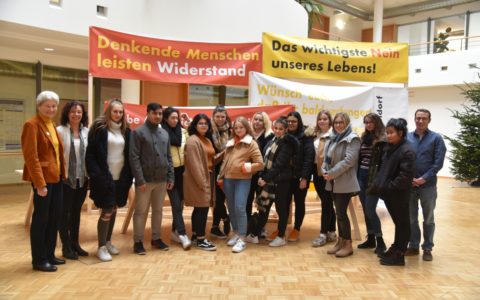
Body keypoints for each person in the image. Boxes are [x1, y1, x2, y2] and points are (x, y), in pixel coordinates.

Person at [21, 91, 66, 272]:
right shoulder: (31, 125)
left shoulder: (52, 124)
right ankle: (39, 260)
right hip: (44, 181)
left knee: (54, 218)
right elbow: (31, 158)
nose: (51, 109)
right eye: (47, 105)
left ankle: (49, 254)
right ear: (39, 106)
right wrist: (39, 183)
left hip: (57, 179)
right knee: (41, 220)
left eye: (54, 106)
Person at [86, 99, 133, 262]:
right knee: (106, 211)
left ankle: (108, 242)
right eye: (115, 111)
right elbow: (90, 155)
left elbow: (128, 155)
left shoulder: (127, 131)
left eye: (121, 112)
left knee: (113, 210)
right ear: (109, 112)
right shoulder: (99, 129)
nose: (118, 115)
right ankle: (101, 247)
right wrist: (96, 175)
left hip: (120, 179)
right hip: (103, 178)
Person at [130, 103, 175, 255]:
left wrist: (171, 177)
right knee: (141, 211)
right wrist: (140, 180)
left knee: (158, 210)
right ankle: (138, 242)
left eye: (160, 114)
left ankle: (156, 238)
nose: (158, 116)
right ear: (148, 113)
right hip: (145, 181)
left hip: (162, 180)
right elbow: (134, 158)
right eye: (155, 113)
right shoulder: (138, 132)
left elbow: (169, 157)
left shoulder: (164, 134)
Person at [369, 118, 416, 266]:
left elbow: (404, 177)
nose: (388, 136)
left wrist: (389, 188)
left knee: (402, 224)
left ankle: (399, 255)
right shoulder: (392, 147)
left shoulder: (407, 150)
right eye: (387, 133)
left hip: (398, 195)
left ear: (400, 133)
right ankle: (396, 248)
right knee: (399, 223)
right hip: (390, 194)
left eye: (391, 133)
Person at [246, 117, 298, 247]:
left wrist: (265, 179)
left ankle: (281, 236)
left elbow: (279, 165)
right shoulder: (272, 140)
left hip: (281, 182)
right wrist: (261, 176)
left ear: (286, 130)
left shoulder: (287, 144)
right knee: (264, 208)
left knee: (281, 210)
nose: (278, 131)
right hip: (268, 181)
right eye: (276, 128)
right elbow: (265, 160)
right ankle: (255, 235)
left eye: (281, 129)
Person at [217, 117, 264, 253]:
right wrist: (221, 176)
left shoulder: (251, 143)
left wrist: (247, 167)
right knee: (231, 207)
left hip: (243, 180)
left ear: (246, 128)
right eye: (236, 128)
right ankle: (236, 233)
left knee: (240, 207)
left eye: (241, 127)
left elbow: (260, 164)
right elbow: (225, 161)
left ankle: (242, 238)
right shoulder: (230, 142)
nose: (238, 130)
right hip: (228, 180)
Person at [406, 109, 446, 261]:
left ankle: (428, 248)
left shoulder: (436, 139)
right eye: (418, 118)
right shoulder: (408, 138)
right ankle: (413, 246)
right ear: (414, 119)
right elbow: (403, 159)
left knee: (428, 218)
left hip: (428, 186)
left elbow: (438, 163)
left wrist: (423, 178)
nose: (420, 121)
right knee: (411, 218)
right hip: (410, 186)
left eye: (423, 118)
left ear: (429, 120)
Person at [322, 112, 361, 258]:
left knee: (342, 214)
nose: (338, 125)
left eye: (341, 122)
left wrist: (331, 173)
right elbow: (326, 158)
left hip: (345, 181)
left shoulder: (353, 138)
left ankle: (348, 244)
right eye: (336, 122)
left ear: (347, 123)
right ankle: (340, 242)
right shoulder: (332, 138)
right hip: (332, 181)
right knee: (338, 213)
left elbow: (349, 161)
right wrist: (324, 170)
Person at [56, 101, 89, 260]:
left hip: (82, 179)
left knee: (76, 212)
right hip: (65, 180)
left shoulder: (86, 132)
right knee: (65, 213)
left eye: (79, 112)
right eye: (73, 112)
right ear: (67, 114)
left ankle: (75, 243)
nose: (76, 115)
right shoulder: (60, 131)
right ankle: (66, 245)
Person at [183, 114, 217, 251]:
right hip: (198, 179)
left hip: (207, 176)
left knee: (199, 208)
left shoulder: (207, 140)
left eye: (206, 123)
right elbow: (194, 164)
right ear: (195, 125)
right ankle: (201, 240)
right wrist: (202, 183)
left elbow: (210, 158)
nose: (204, 125)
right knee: (202, 208)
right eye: (200, 123)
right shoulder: (193, 140)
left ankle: (196, 236)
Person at [356, 113, 387, 254]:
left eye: (371, 122)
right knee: (365, 209)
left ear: (377, 122)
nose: (368, 125)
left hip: (374, 177)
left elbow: (384, 162)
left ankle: (380, 241)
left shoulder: (383, 138)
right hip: (361, 176)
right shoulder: (364, 137)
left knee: (370, 209)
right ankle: (371, 238)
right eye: (366, 122)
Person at [162, 106, 191, 250]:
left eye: (176, 117)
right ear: (166, 119)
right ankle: (182, 234)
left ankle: (174, 232)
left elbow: (191, 145)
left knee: (180, 204)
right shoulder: (161, 132)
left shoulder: (184, 132)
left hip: (183, 172)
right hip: (170, 172)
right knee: (175, 203)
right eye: (172, 118)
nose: (175, 120)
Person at [284, 111, 315, 242]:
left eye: (294, 121)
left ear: (299, 122)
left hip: (300, 178)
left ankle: (296, 228)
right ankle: (282, 228)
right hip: (286, 177)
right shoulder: (284, 135)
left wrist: (304, 178)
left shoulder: (306, 136)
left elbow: (309, 158)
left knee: (299, 203)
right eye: (289, 121)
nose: (291, 124)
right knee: (284, 203)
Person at [311, 110, 337, 247]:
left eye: (325, 119)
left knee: (326, 203)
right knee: (326, 202)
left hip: (329, 174)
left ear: (330, 121)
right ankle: (332, 231)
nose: (322, 121)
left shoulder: (334, 136)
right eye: (320, 119)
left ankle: (322, 234)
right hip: (317, 174)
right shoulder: (315, 135)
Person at [246, 112, 274, 222]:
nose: (257, 122)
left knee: (262, 200)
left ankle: (260, 226)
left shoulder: (270, 136)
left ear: (265, 123)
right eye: (255, 119)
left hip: (263, 174)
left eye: (260, 120)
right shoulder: (247, 134)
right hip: (249, 172)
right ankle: (247, 223)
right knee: (247, 199)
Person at [210, 105, 231, 239]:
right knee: (215, 199)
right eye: (217, 116)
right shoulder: (208, 129)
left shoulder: (230, 130)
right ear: (213, 117)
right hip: (211, 167)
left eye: (222, 116)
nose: (220, 119)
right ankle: (226, 217)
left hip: (226, 167)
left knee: (220, 198)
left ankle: (215, 226)